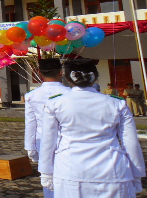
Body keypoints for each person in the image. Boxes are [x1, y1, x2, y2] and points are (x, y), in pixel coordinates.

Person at [39, 59, 146, 197]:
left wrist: (46, 172)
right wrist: (137, 174)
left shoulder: (55, 103)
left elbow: (48, 141)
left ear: (67, 78)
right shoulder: (117, 103)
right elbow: (130, 142)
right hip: (111, 168)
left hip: (70, 168)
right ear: (95, 77)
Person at [23, 59, 72, 198]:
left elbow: (30, 123)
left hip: (42, 140)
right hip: (66, 140)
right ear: (61, 72)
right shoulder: (70, 93)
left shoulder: (31, 95)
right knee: (68, 179)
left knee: (48, 179)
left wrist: (30, 147)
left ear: (39, 73)